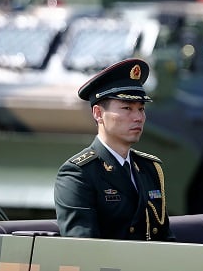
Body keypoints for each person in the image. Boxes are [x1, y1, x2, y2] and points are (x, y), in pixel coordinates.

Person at [54, 58, 174, 241]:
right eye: (127, 108)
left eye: (141, 109)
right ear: (98, 113)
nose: (138, 117)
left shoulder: (150, 168)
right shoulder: (78, 173)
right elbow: (81, 247)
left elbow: (165, 238)